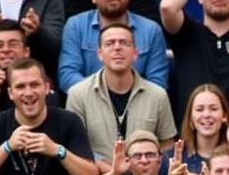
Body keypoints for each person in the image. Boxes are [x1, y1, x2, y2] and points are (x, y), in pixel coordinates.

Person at [64, 22, 177, 167]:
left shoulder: (157, 95)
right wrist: (111, 173)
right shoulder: (78, 94)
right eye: (110, 43)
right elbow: (75, 147)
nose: (117, 47)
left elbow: (167, 144)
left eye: (124, 43)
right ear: (99, 54)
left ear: (136, 53)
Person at [57, 0, 168, 95]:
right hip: (88, 108)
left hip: (139, 108)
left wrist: (127, 98)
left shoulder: (151, 30)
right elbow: (67, 76)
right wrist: (102, 96)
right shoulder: (75, 26)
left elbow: (158, 81)